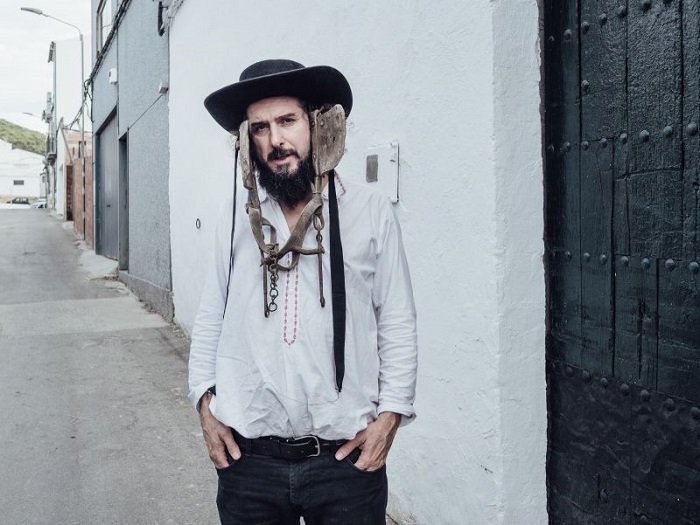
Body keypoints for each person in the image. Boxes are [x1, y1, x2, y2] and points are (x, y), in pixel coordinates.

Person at [188, 58, 417, 525]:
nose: (275, 140)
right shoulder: (235, 217)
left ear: (316, 124)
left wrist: (391, 416)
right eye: (260, 128)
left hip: (345, 464)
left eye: (287, 121)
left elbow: (396, 319)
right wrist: (204, 406)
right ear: (247, 140)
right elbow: (212, 313)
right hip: (249, 462)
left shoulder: (369, 211)